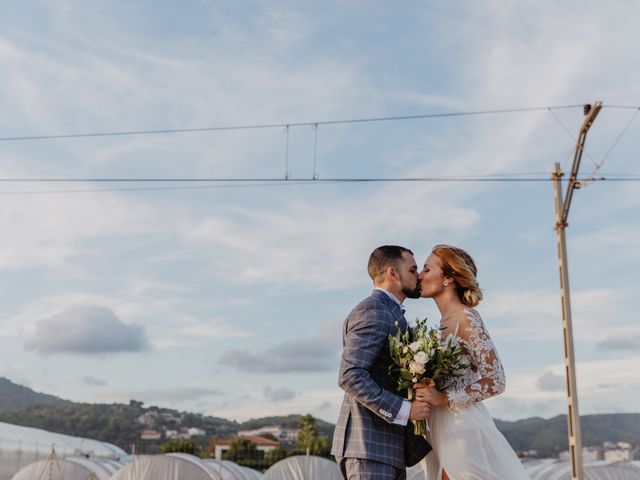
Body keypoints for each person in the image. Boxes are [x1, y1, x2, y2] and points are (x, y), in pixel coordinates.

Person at [415, 244, 531, 480]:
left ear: (448, 278)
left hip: (460, 425)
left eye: (426, 269)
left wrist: (444, 397)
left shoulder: (466, 318)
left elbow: (496, 380)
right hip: (436, 427)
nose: (419, 276)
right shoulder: (440, 324)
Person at [331, 245, 432, 480]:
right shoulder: (374, 310)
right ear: (392, 274)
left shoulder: (391, 312)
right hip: (368, 446)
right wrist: (405, 410)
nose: (418, 276)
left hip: (385, 449)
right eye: (413, 269)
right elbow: (350, 374)